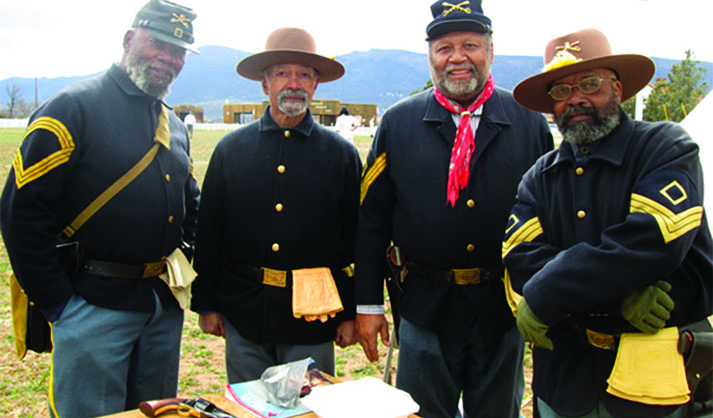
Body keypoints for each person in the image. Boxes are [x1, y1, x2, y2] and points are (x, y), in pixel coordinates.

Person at [0, 1, 200, 416]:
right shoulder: (71, 109)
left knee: (155, 413)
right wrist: (61, 306)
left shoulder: (174, 125)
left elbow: (191, 205)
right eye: (157, 43)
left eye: (178, 50)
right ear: (129, 41)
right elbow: (21, 214)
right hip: (91, 304)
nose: (168, 58)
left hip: (159, 308)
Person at [354, 2, 553, 417]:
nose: (457, 57)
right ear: (430, 57)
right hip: (424, 307)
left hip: (502, 311)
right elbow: (372, 222)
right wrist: (369, 306)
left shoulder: (529, 122)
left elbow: (549, 219)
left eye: (470, 45)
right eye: (444, 47)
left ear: (491, 52)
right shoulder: (398, 123)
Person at [503, 28, 713, 418]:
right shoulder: (539, 176)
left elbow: (651, 241)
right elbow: (520, 259)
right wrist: (618, 301)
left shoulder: (666, 147)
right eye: (561, 91)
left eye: (589, 83)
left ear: (617, 88)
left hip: (656, 385)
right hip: (565, 380)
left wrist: (548, 293)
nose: (576, 98)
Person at [191, 27, 363, 383]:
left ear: (316, 85)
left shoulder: (341, 155)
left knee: (308, 409)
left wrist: (349, 312)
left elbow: (356, 241)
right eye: (283, 73)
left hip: (313, 318)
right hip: (244, 311)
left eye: (303, 75)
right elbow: (210, 231)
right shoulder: (230, 150)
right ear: (264, 83)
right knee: (246, 407)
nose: (294, 83)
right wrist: (207, 303)